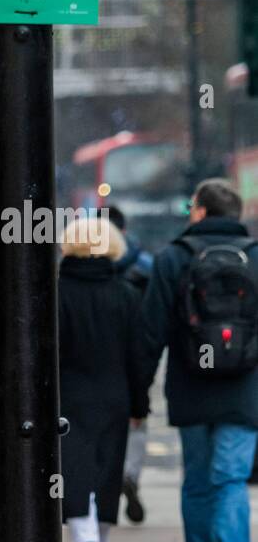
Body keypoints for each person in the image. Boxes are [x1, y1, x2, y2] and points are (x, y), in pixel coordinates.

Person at [136, 179, 257, 542]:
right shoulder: (256, 258)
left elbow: (150, 333)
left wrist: (139, 394)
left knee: (198, 481)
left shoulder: (173, 258)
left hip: (190, 387)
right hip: (243, 389)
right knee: (232, 479)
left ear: (202, 212)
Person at [57, 217, 147, 542]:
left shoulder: (54, 293)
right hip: (114, 399)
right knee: (106, 483)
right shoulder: (126, 294)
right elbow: (138, 357)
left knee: (75, 483)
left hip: (67, 401)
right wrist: (139, 405)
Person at [108, 204, 154, 524]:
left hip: (93, 366)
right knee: (136, 421)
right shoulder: (146, 266)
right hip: (135, 358)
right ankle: (130, 475)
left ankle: (110, 479)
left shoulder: (77, 268)